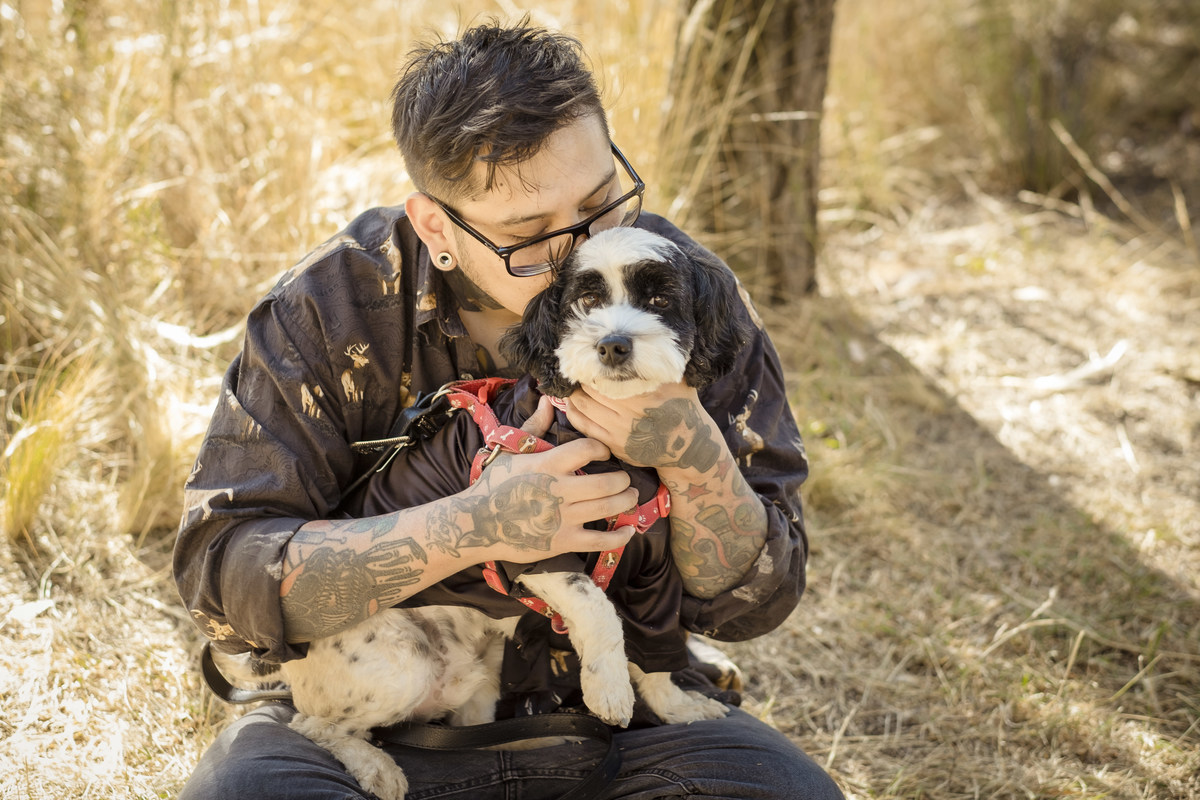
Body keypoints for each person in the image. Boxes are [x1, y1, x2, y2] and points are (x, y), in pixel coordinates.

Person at [174, 18, 843, 800]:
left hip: (623, 731)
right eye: (529, 238)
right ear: (437, 226)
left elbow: (756, 603)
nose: (581, 253)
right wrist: (471, 527)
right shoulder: (330, 307)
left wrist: (694, 454)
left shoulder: (682, 290)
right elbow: (225, 583)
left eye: (602, 203)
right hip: (389, 712)